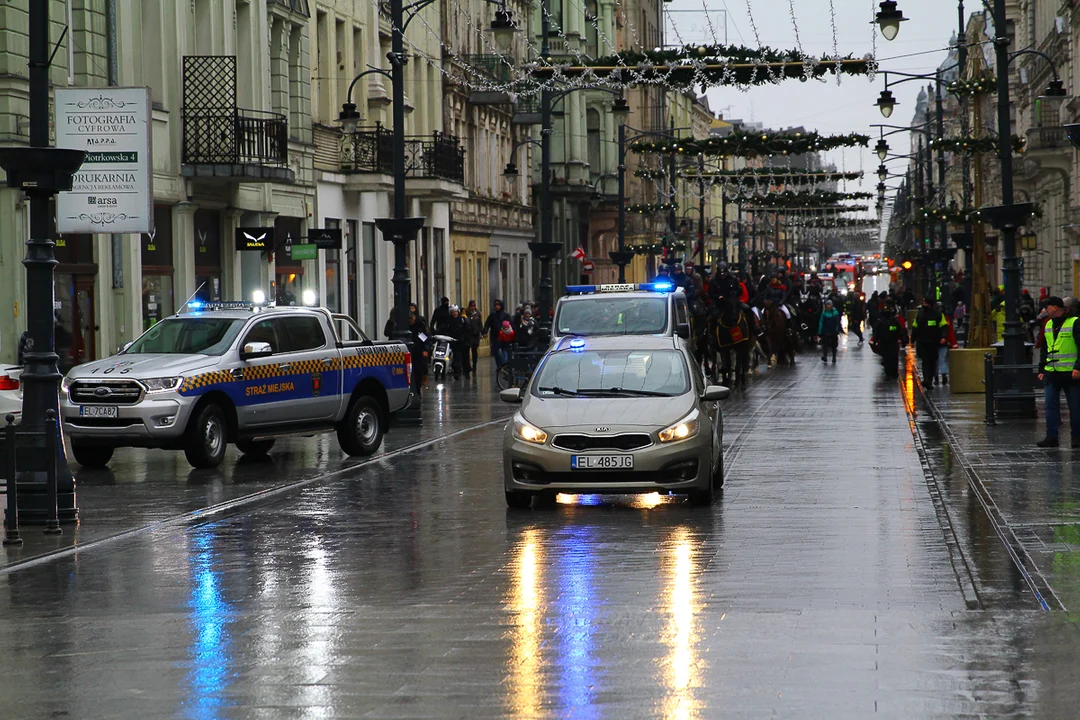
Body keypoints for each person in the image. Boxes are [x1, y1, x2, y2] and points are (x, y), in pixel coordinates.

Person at [1036, 296, 1080, 448]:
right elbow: (1045, 348)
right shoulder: (1048, 324)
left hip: (1070, 373)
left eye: (1046, 307)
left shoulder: (1074, 322)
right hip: (1052, 373)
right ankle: (1051, 437)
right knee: (1050, 406)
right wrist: (1042, 368)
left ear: (1055, 307)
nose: (1045, 310)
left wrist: (1078, 367)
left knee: (1075, 407)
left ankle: (1077, 438)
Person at [911, 298, 948, 387]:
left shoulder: (938, 315)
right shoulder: (920, 315)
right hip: (923, 343)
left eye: (925, 303)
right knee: (925, 362)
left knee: (932, 362)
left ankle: (929, 380)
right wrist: (912, 340)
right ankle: (927, 380)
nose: (924, 305)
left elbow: (944, 326)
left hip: (934, 343)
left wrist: (943, 337)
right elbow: (915, 328)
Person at [872, 301, 909, 379]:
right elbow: (876, 333)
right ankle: (889, 373)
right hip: (885, 343)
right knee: (887, 359)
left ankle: (893, 373)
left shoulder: (893, 321)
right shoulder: (882, 322)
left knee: (892, 358)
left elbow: (900, 331)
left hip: (892, 343)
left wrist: (903, 340)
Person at [482, 299, 511, 365]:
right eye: (495, 305)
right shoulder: (492, 315)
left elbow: (511, 325)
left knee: (504, 351)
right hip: (495, 337)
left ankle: (504, 365)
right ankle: (499, 365)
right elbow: (487, 324)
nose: (496, 306)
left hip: (504, 337)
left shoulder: (506, 315)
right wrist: (485, 332)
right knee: (496, 352)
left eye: (498, 305)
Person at [937, 302, 958, 385]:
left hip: (937, 342)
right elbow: (950, 331)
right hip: (943, 342)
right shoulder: (946, 318)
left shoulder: (943, 318)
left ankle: (938, 377)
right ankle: (943, 374)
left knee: (937, 361)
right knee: (942, 360)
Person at [444, 305, 467, 379]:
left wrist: (463, 337)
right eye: (453, 312)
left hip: (460, 341)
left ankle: (460, 371)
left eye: (455, 312)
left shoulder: (462, 320)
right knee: (452, 356)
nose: (454, 313)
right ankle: (454, 370)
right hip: (451, 341)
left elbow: (467, 329)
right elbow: (444, 329)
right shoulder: (448, 321)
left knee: (460, 356)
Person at [818, 299, 842, 363]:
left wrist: (837, 330)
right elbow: (821, 322)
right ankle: (825, 356)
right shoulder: (824, 313)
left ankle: (834, 357)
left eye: (829, 305)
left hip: (833, 331)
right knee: (825, 344)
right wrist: (820, 331)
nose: (828, 306)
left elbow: (837, 322)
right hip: (825, 331)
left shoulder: (835, 313)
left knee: (834, 345)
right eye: (827, 305)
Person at [464, 300, 482, 378]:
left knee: (474, 351)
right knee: (467, 351)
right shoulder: (466, 313)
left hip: (476, 335)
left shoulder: (477, 314)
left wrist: (482, 332)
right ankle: (468, 366)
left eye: (474, 306)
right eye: (471, 306)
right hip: (468, 335)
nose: (472, 307)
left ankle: (474, 365)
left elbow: (480, 323)